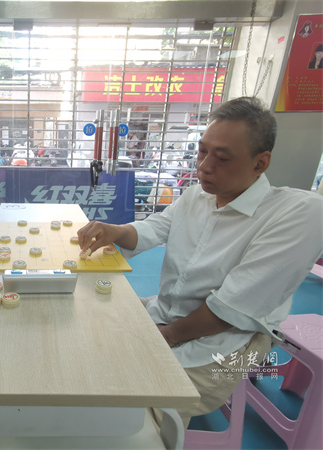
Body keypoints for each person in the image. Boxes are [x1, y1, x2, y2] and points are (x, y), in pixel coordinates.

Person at [78, 96, 323, 427]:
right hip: (169, 312)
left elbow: (233, 307)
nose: (205, 166)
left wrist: (166, 336)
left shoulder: (296, 213)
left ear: (260, 163)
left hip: (226, 344)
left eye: (221, 158)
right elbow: (155, 228)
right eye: (202, 151)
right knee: (87, 331)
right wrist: (114, 231)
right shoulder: (197, 196)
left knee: (130, 415)